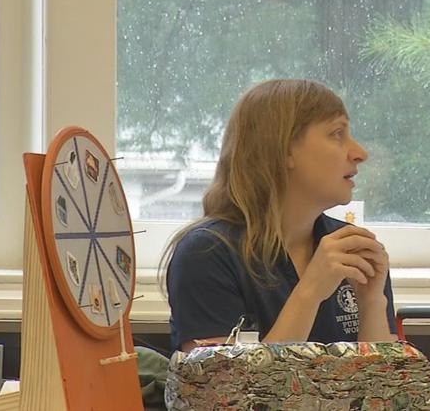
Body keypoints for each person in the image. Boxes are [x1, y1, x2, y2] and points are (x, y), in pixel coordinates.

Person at [162, 79, 397, 353]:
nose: (360, 153)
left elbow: (383, 391)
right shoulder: (207, 253)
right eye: (337, 133)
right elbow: (224, 391)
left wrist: (372, 304)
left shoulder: (352, 249)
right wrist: (309, 293)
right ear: (285, 149)